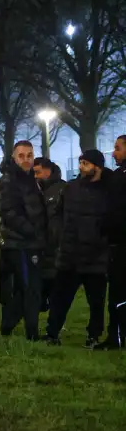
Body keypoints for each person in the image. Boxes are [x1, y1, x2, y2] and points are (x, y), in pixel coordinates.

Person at [45, 150, 112, 347]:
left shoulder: (108, 191)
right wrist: (60, 234)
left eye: (86, 163)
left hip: (95, 256)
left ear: (97, 167)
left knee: (96, 302)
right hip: (70, 254)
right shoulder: (71, 188)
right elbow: (57, 214)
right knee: (60, 298)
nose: (81, 167)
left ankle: (94, 335)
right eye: (81, 162)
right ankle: (52, 334)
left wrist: (101, 240)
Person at [0, 140, 49, 340]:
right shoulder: (9, 180)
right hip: (20, 244)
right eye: (21, 155)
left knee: (26, 289)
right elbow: (9, 212)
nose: (26, 159)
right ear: (14, 157)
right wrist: (32, 231)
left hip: (29, 242)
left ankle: (6, 326)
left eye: (29, 155)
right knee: (30, 288)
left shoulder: (31, 179)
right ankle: (32, 334)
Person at [98, 136, 126, 349]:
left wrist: (106, 229)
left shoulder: (119, 178)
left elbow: (114, 211)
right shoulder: (117, 175)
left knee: (117, 292)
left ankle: (116, 337)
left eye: (117, 148)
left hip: (120, 245)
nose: (113, 153)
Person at [35, 157, 66, 311]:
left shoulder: (62, 190)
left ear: (48, 171)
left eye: (38, 172)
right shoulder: (38, 191)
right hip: (43, 248)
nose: (35, 176)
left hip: (55, 248)